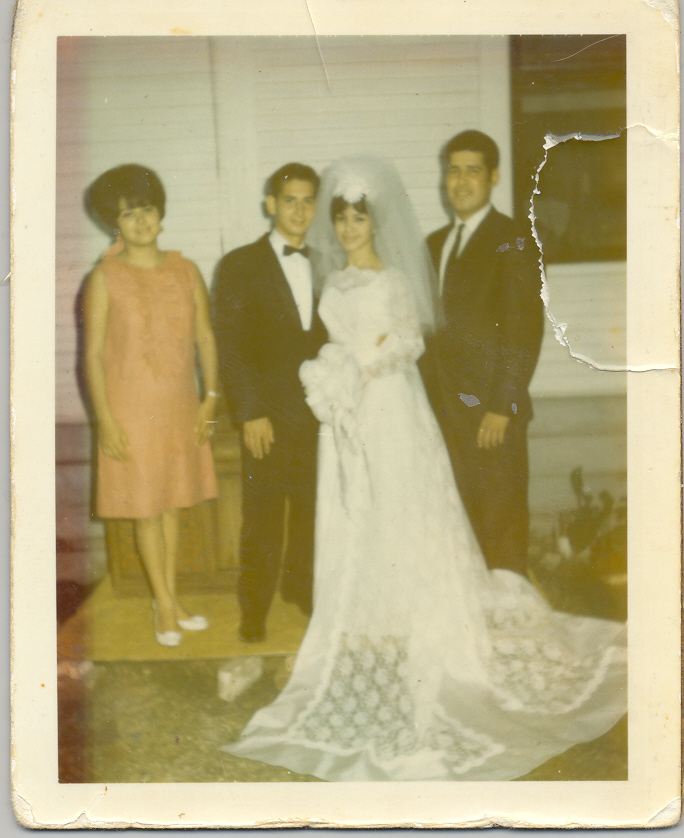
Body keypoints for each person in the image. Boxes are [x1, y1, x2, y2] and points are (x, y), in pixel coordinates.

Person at [222, 157, 626, 782]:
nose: (350, 227)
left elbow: (408, 342)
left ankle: (420, 620)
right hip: (346, 419)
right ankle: (370, 621)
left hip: (390, 409)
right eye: (343, 217)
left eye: (360, 217)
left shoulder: (391, 279)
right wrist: (333, 377)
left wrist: (361, 369)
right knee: (360, 514)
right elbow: (323, 342)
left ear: (375, 222)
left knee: (406, 511)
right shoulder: (332, 280)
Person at [83, 163, 218, 647]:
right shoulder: (104, 277)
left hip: (180, 407)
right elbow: (93, 356)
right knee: (146, 509)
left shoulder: (186, 270)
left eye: (147, 208)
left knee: (173, 507)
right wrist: (105, 420)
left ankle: (173, 598)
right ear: (114, 223)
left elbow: (205, 336)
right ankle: (163, 605)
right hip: (131, 413)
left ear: (160, 213)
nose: (140, 220)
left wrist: (210, 400)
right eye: (128, 213)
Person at [213, 163, 327, 643]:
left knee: (311, 513)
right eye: (290, 201)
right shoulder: (240, 265)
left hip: (320, 413)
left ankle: (302, 591)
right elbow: (230, 346)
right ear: (270, 205)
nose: (299, 210)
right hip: (267, 416)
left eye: (308, 201)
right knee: (262, 518)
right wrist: (250, 412)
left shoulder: (328, 262)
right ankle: (254, 609)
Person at [421, 130, 544, 576]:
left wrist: (502, 405)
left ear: (493, 177)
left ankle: (509, 626)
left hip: (490, 412)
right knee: (460, 526)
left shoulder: (512, 239)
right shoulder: (433, 245)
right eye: (452, 170)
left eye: (472, 170)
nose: (460, 181)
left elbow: (524, 330)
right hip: (444, 410)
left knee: (500, 522)